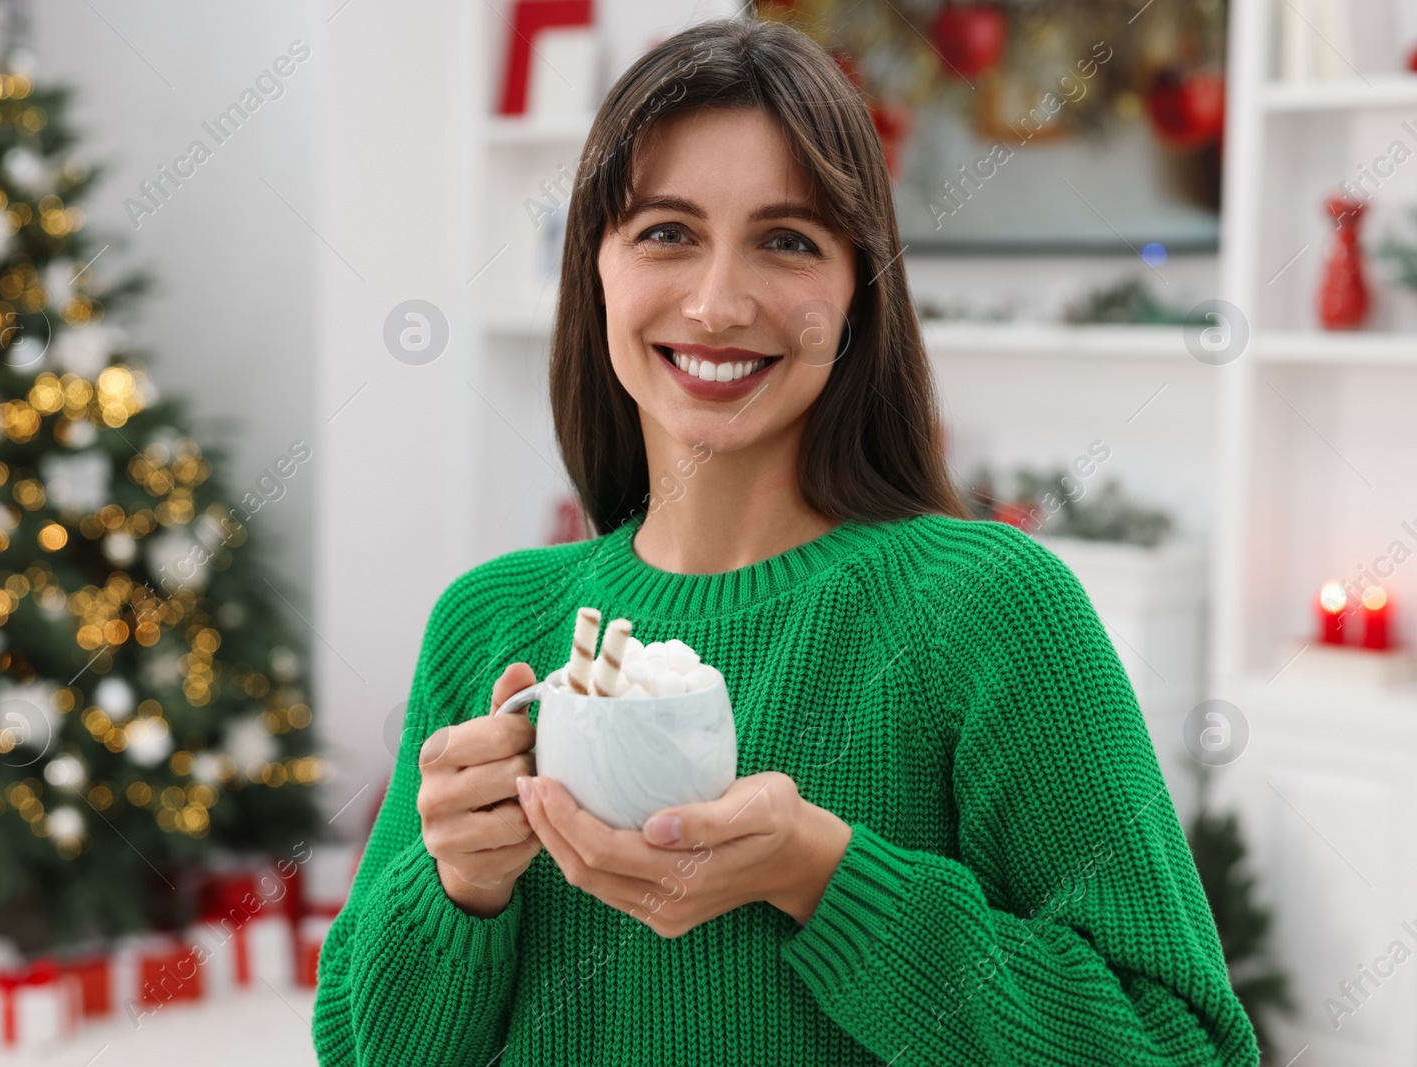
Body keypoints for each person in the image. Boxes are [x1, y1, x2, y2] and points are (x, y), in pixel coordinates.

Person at [312, 15, 1259, 1066]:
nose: (718, 302)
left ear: (857, 291)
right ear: (595, 270)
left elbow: (1180, 1049)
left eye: (787, 240)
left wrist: (822, 875)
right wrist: (458, 887)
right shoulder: (488, 625)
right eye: (666, 231)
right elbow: (362, 1052)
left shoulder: (989, 608)